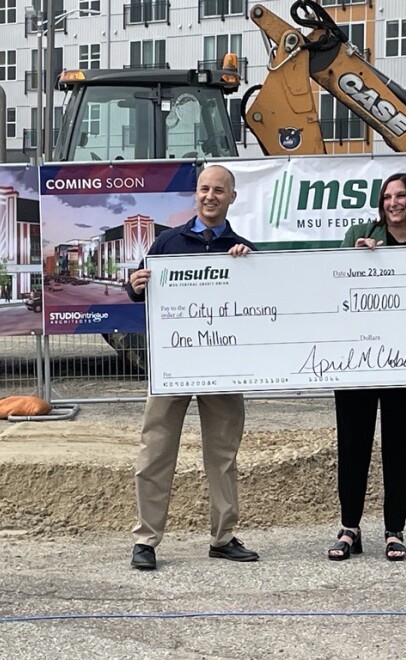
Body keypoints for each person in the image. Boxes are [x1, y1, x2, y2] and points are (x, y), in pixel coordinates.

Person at [124, 164, 258, 571]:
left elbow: (262, 302)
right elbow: (138, 289)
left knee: (222, 456)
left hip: (222, 368)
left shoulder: (245, 250)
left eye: (219, 190)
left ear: (232, 197)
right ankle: (146, 540)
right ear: (195, 195)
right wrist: (134, 285)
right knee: (155, 453)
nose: (210, 196)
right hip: (173, 367)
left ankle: (223, 537)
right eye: (204, 189)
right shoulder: (167, 243)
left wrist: (249, 267)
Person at [327, 172, 406, 562]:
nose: (392, 203)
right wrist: (355, 258)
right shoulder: (358, 236)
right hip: (357, 364)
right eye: (386, 197)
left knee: (399, 449)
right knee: (353, 446)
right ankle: (349, 529)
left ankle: (394, 531)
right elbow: (334, 285)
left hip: (404, 368)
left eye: (400, 196)